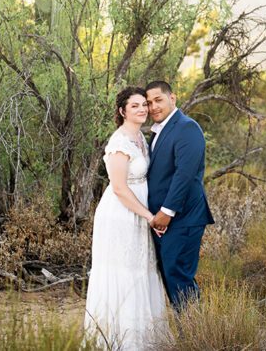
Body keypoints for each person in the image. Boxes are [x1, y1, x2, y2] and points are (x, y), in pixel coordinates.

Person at [83, 86, 168, 350]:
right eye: (135, 105)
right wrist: (148, 216)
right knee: (124, 273)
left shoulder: (142, 138)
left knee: (142, 270)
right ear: (122, 111)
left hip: (141, 212)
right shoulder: (118, 142)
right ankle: (121, 342)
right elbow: (119, 187)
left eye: (144, 104)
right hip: (122, 214)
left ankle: (146, 340)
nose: (143, 108)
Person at [145, 80, 215, 310]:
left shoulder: (187, 127)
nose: (153, 107)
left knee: (180, 277)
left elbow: (185, 174)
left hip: (183, 217)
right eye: (149, 102)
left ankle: (197, 337)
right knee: (171, 276)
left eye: (158, 100)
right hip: (163, 221)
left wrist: (166, 212)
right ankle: (189, 332)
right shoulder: (159, 131)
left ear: (172, 98)